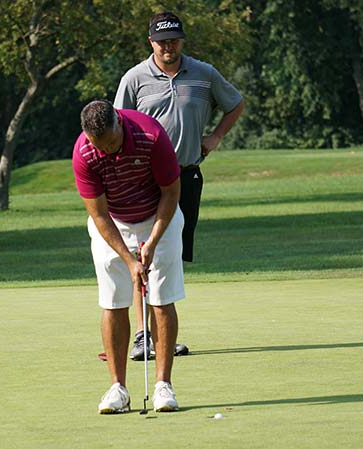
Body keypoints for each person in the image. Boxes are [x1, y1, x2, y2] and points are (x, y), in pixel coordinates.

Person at [114, 11, 245, 360]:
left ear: (181, 40)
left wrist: (216, 136)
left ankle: (163, 336)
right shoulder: (135, 78)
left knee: (170, 256)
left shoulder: (203, 74)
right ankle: (143, 336)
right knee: (143, 253)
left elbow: (235, 103)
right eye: (162, 41)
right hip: (143, 180)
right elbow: (116, 126)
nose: (168, 46)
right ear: (151, 42)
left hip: (186, 176)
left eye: (174, 40)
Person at [72, 100, 184, 413]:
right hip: (114, 223)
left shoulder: (150, 136)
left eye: (110, 143)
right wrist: (129, 258)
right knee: (112, 301)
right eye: (98, 145)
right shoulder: (84, 152)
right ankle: (117, 389)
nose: (105, 151)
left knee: (161, 298)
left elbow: (172, 193)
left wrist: (151, 243)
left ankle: (163, 386)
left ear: (119, 124)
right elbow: (99, 215)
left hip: (159, 216)